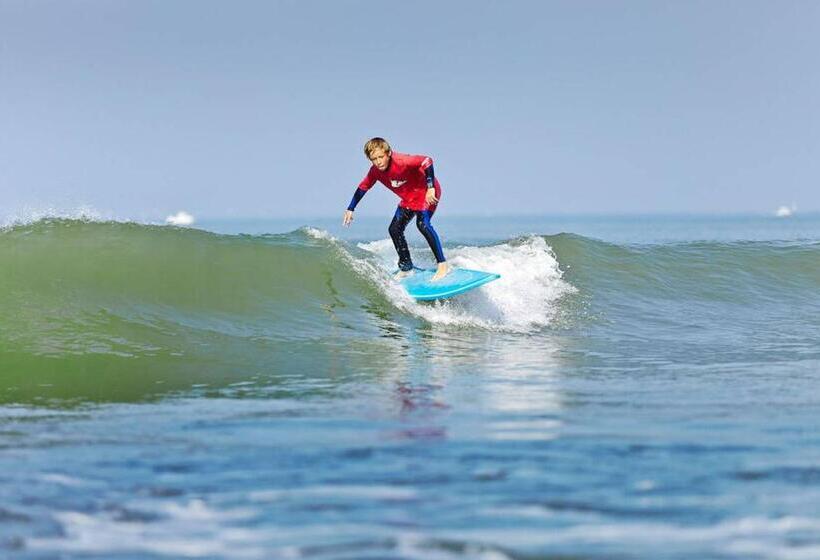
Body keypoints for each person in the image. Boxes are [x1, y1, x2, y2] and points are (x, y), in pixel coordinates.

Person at [343, 137, 450, 281]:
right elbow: (363, 187)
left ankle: (442, 265)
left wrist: (430, 187)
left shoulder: (401, 161)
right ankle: (406, 266)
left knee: (423, 225)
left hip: (427, 193)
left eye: (381, 156)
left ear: (389, 153)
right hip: (409, 199)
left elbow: (427, 161)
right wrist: (351, 208)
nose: (378, 161)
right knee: (394, 229)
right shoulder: (375, 172)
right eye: (374, 158)